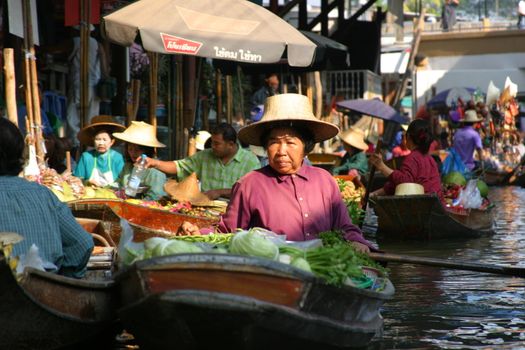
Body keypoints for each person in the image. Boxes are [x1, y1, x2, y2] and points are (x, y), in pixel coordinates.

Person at [181, 94, 376, 253]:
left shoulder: (324, 181)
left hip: (323, 267)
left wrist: (358, 241)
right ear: (266, 146)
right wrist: (199, 232)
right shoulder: (249, 184)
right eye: (274, 142)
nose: (281, 151)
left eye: (290, 143)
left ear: (305, 148)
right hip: (273, 272)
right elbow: (227, 232)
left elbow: (344, 227)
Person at [0, 118, 93, 278]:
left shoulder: (44, 194)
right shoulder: (43, 194)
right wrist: (60, 280)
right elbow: (82, 243)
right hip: (46, 290)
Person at [144, 123, 261, 200]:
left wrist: (220, 192)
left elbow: (252, 192)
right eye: (212, 142)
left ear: (231, 144)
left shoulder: (250, 161)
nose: (212, 146)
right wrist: (156, 163)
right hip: (204, 210)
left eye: (217, 143)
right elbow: (179, 166)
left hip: (235, 214)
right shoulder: (204, 156)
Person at [369, 119, 443, 201]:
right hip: (436, 205)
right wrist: (372, 195)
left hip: (425, 207)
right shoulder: (430, 159)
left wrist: (381, 166)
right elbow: (394, 186)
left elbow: (405, 182)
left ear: (408, 137)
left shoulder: (413, 158)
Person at [66, 24, 108, 147]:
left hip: (79, 83)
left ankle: (74, 143)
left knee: (73, 115)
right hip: (94, 85)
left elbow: (55, 50)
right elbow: (104, 69)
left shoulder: (75, 41)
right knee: (91, 117)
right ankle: (90, 143)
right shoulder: (98, 45)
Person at [113, 121, 167, 200]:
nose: (133, 153)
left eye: (138, 149)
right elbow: (118, 183)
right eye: (130, 149)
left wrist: (135, 203)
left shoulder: (156, 171)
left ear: (147, 150)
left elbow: (156, 197)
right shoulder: (128, 166)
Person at [73, 115, 125, 187]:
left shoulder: (117, 158)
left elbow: (123, 181)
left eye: (104, 140)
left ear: (112, 142)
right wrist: (87, 182)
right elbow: (77, 179)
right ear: (93, 140)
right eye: (98, 139)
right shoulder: (86, 157)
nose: (101, 143)